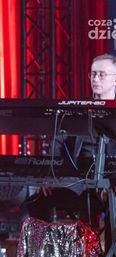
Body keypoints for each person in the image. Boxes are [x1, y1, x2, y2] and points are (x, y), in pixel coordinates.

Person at [25, 53, 116, 223]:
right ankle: (49, 241)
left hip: (109, 182)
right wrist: (48, 176)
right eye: (93, 74)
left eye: (101, 74)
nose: (95, 79)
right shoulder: (78, 111)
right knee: (36, 201)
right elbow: (57, 144)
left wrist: (112, 183)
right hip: (75, 182)